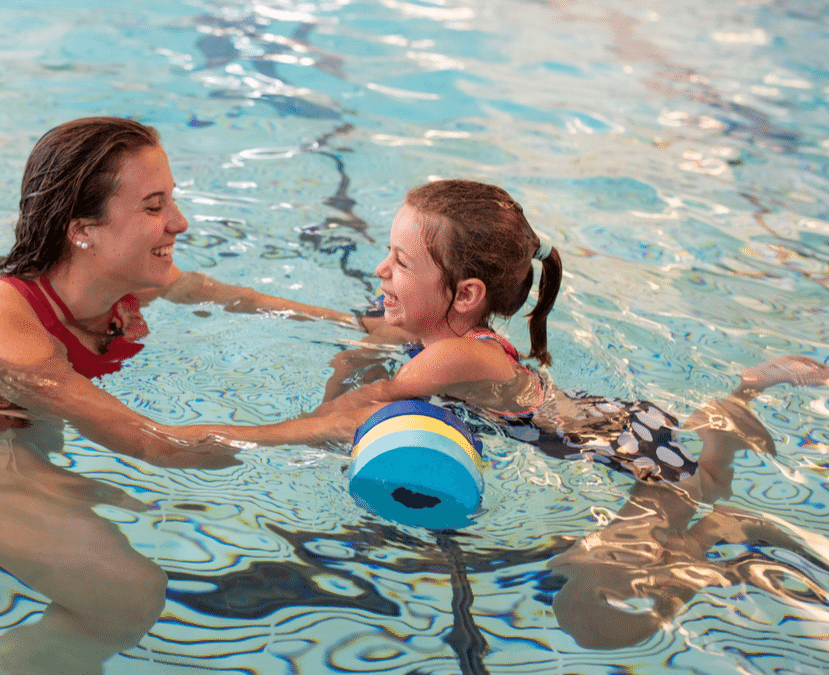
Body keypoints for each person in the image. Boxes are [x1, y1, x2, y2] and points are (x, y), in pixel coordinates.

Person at [0, 117, 368, 675]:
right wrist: (318, 426)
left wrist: (361, 328)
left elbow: (228, 296)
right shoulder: (6, 314)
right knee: (127, 593)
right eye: (154, 207)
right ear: (83, 229)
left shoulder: (126, 279)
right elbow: (155, 444)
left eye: (172, 200)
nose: (179, 222)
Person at [313, 178, 829, 646]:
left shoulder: (456, 354)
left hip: (627, 450)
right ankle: (738, 402)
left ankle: (720, 530)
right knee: (705, 483)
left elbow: (367, 401)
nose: (382, 270)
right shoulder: (440, 331)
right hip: (618, 425)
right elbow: (352, 330)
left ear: (465, 294)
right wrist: (260, 305)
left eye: (400, 261)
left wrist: (287, 428)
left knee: (592, 619)